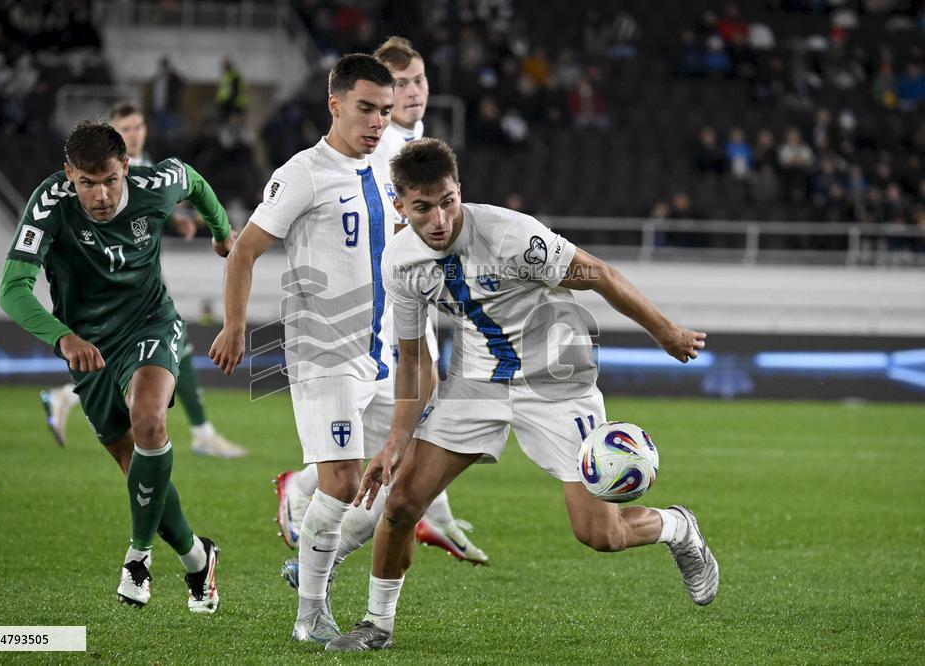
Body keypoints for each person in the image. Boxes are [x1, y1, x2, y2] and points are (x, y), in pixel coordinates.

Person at [327, 138, 718, 651]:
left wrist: (665, 331)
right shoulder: (399, 262)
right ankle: (377, 624)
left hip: (557, 384)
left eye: (448, 201)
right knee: (401, 503)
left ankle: (677, 526)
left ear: (459, 190)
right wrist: (398, 439)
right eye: (423, 208)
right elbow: (416, 359)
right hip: (475, 384)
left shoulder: (512, 235)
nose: (440, 218)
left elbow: (598, 274)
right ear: (399, 206)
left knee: (601, 535)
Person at [0, 120, 235, 612]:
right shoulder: (50, 204)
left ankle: (138, 558)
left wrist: (221, 232)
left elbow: (193, 180)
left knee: (149, 421)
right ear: (69, 175)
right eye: (87, 183)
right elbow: (12, 289)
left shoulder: (154, 186)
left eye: (110, 179)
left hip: (151, 323)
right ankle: (197, 558)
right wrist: (63, 337)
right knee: (137, 470)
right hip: (87, 347)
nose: (101, 194)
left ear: (126, 166)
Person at [275, 37, 489, 577]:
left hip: (403, 306)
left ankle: (414, 514)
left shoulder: (413, 141)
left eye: (418, 80)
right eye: (401, 84)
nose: (412, 92)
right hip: (368, 323)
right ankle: (313, 497)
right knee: (398, 449)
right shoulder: (373, 148)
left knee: (407, 442)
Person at [208, 54, 399, 644]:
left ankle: (303, 519)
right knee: (344, 483)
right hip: (324, 352)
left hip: (381, 353)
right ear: (334, 103)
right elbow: (244, 250)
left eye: (386, 112)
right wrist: (236, 325)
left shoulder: (387, 169)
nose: (376, 122)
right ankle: (310, 616)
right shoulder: (303, 173)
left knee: (381, 491)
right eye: (366, 108)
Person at [39, 102, 247, 459]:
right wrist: (217, 230)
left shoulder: (146, 166)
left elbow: (154, 203)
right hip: (115, 288)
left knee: (164, 352)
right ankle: (200, 433)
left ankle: (67, 397)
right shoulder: (106, 175)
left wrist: (181, 221)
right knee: (163, 351)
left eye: (138, 127)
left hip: (141, 280)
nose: (133, 134)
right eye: (126, 128)